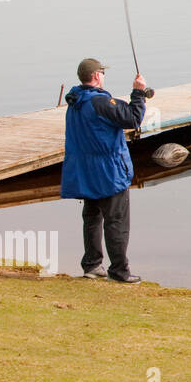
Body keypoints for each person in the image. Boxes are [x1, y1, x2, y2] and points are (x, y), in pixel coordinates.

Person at [60, 58, 147, 283]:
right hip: (108, 174)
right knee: (116, 221)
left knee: (92, 218)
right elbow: (133, 119)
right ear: (97, 76)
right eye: (102, 72)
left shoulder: (75, 101)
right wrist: (138, 94)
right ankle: (119, 271)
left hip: (86, 173)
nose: (104, 75)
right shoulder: (100, 102)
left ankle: (91, 265)